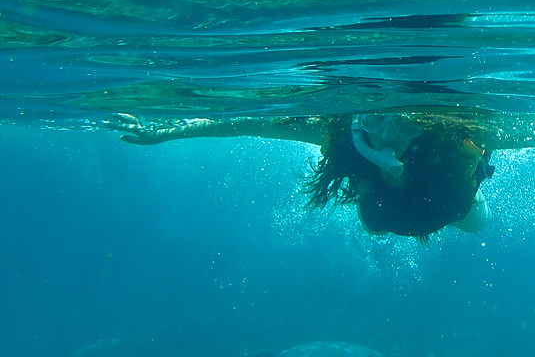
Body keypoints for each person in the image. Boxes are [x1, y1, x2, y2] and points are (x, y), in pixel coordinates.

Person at [105, 112, 493, 240]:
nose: (387, 131)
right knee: (469, 216)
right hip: (433, 189)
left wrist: (166, 133)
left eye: (390, 154)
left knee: (469, 217)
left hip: (418, 192)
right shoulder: (451, 148)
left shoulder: (354, 145)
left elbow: (246, 123)